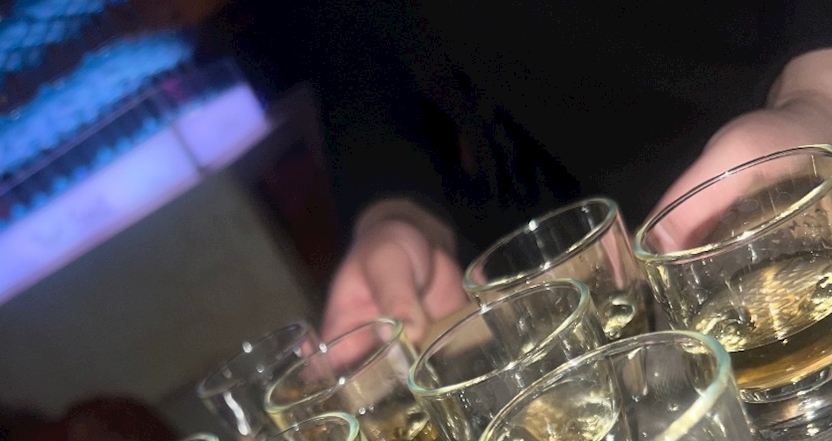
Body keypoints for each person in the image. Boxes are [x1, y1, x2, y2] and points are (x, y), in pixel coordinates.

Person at [204, 2, 832, 344]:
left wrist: (818, 93)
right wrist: (394, 211)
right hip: (582, 245)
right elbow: (360, 62)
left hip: (790, 150)